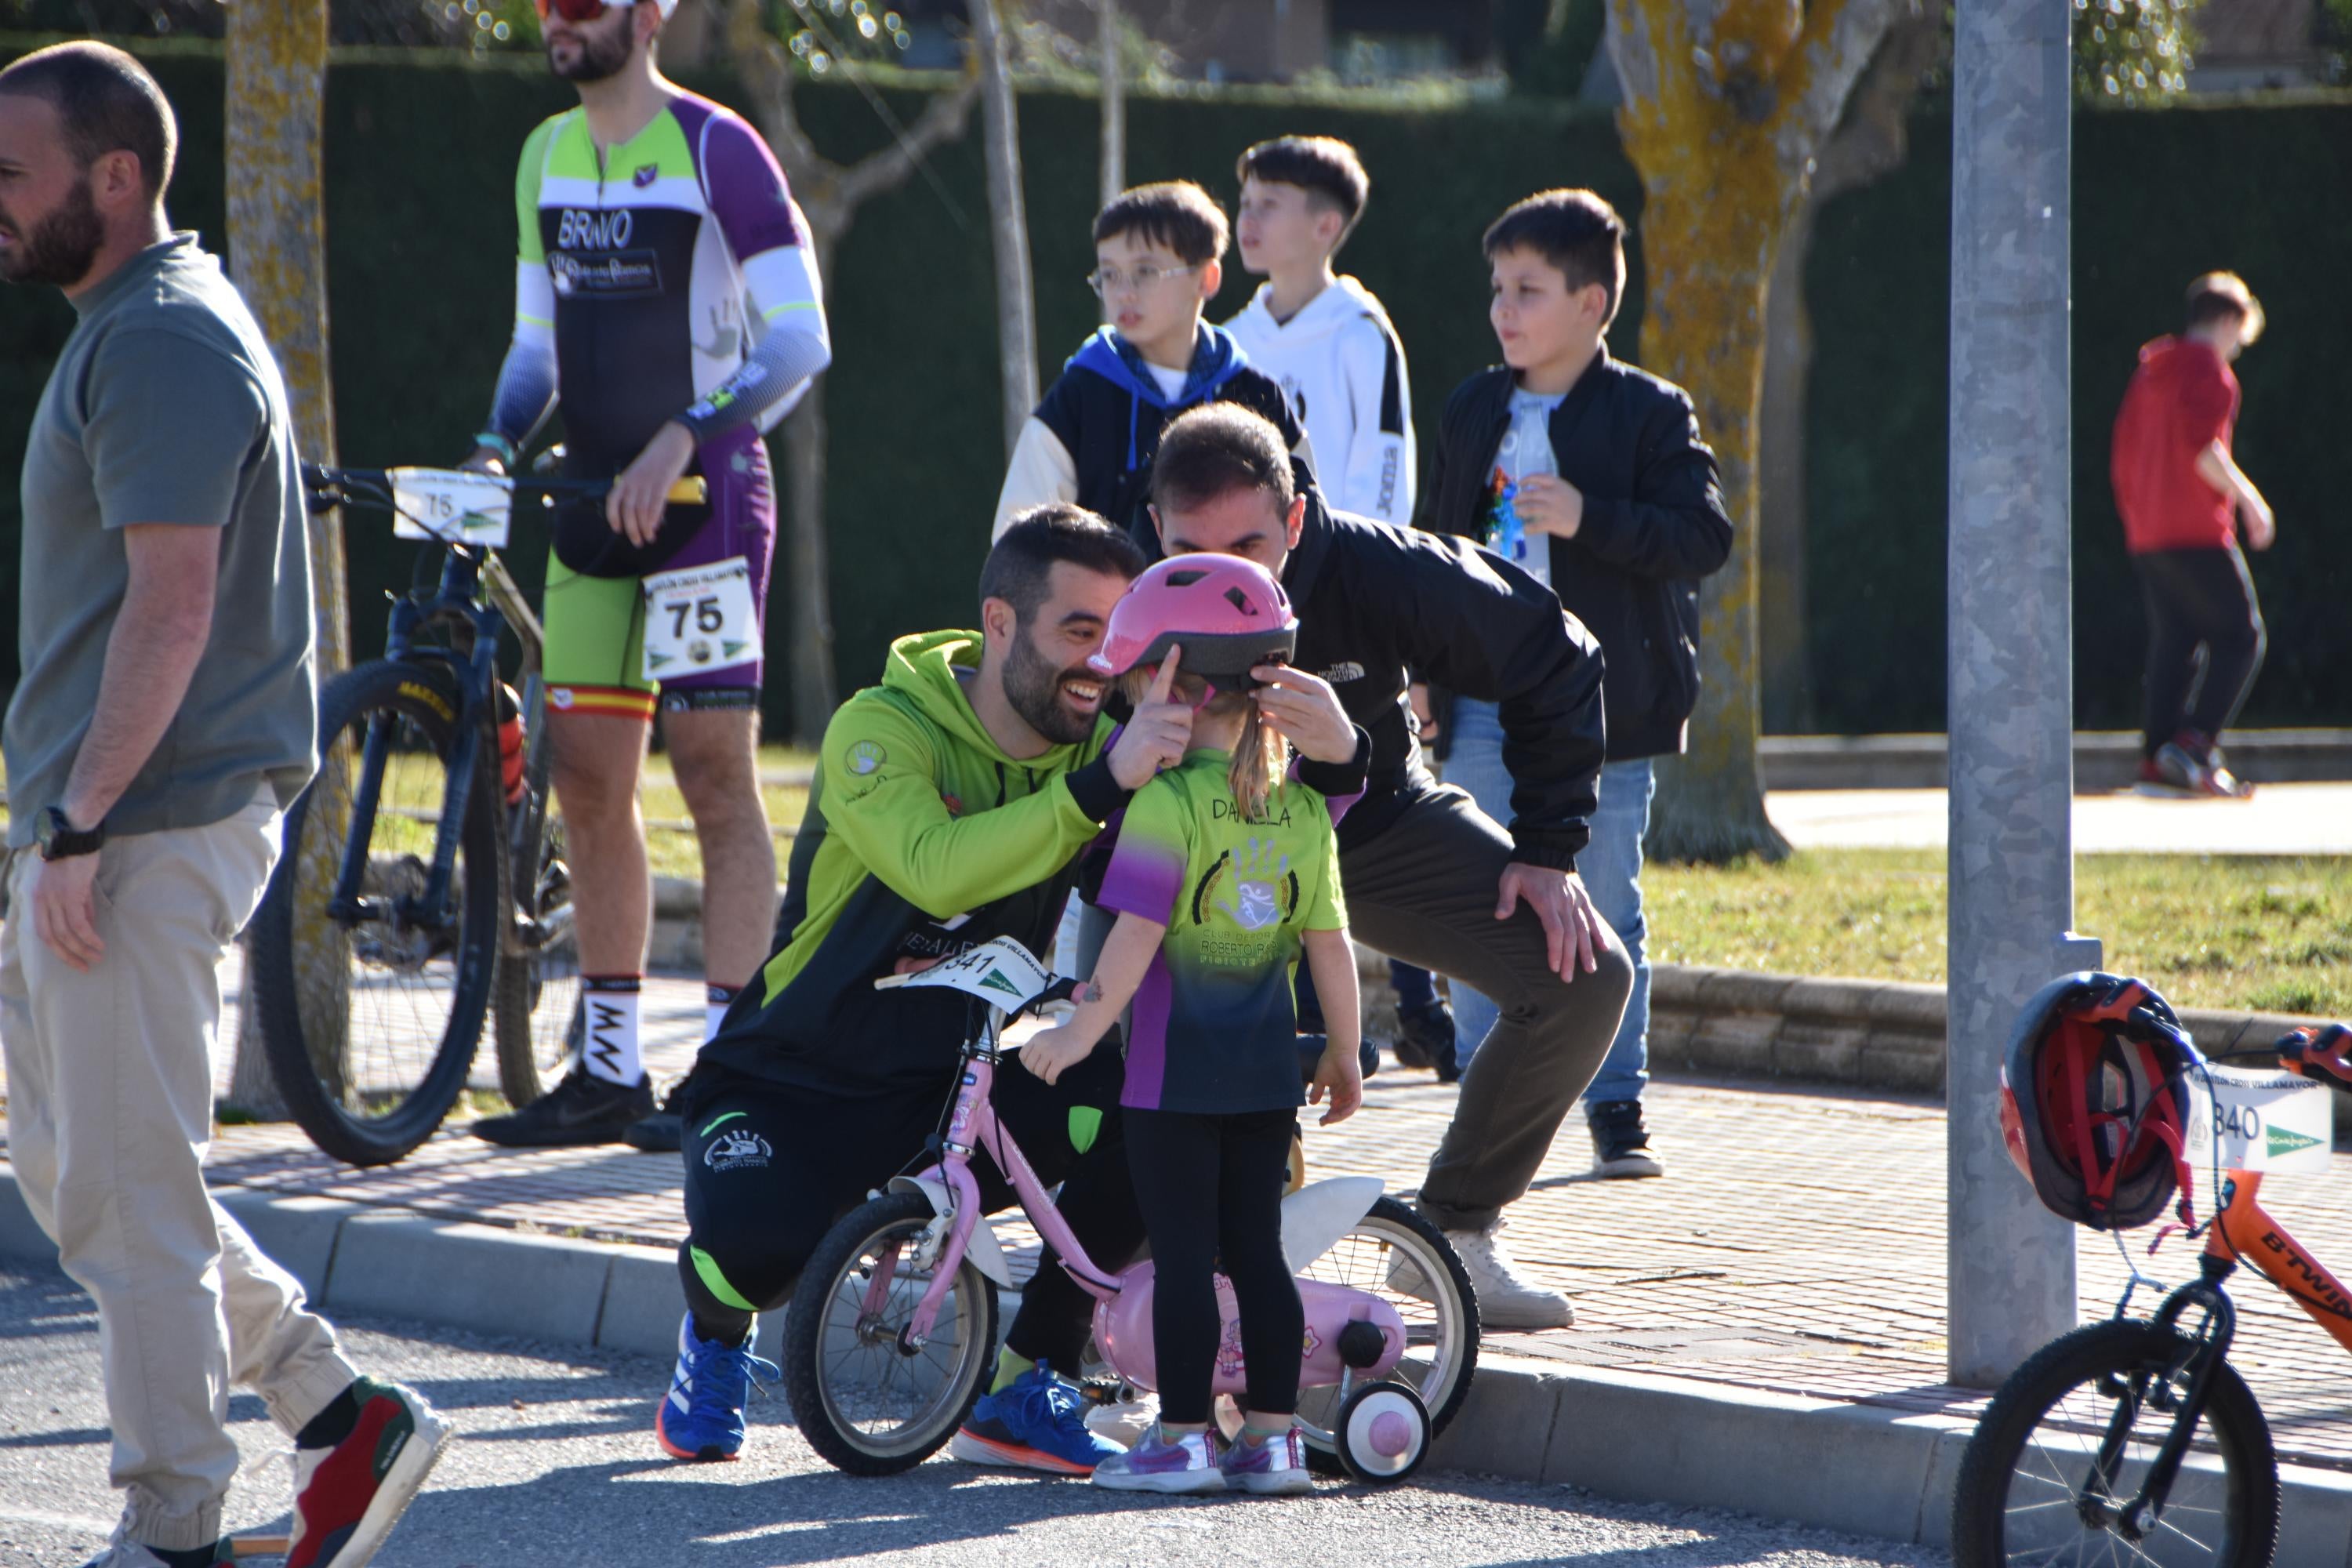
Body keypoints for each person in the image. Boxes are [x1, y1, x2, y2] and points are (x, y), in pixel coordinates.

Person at [0, 43, 448, 1568]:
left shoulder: (166, 340)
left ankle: (175, 1527)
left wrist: (79, 826)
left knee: (125, 1194)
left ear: (113, 178)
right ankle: (337, 1408)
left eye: (13, 173)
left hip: (142, 823)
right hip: (101, 822)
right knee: (93, 1176)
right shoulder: (129, 323)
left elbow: (172, 608)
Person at [1131, 401, 1635, 1330]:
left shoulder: (1374, 567)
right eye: (1194, 550)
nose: (1229, 576)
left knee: (1585, 972)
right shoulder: (1121, 581)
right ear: (1156, 527)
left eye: (1253, 544)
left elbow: (1557, 654)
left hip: (1369, 828)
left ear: (1296, 520)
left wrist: (1548, 851)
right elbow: (1041, 722)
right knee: (1124, 1041)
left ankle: (1456, 1230)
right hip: (1175, 852)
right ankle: (1106, 1273)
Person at [460, 0, 834, 1147]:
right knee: (585, 779)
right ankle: (609, 1074)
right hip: (591, 507)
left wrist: (686, 430)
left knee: (713, 775)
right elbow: (537, 351)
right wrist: (490, 443)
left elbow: (798, 339)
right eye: (548, 5)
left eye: (586, 3)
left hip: (706, 504)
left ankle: (727, 1069)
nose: (560, 20)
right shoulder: (543, 153)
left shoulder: (719, 145)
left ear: (652, 13)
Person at [1024, 554, 1364, 1496]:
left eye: (1136, 680)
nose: (1130, 700)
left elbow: (1131, 944)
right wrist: (1342, 1051)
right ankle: (1273, 1437)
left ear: (1174, 682)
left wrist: (1076, 1035)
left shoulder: (1164, 804)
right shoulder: (1300, 809)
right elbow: (1332, 947)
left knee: (1182, 1259)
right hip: (1265, 1079)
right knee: (1256, 1253)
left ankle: (1179, 1437)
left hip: (1171, 1082)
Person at [1422, 189, 1733, 1180]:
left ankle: (1615, 1106)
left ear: (1594, 302)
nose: (1504, 311)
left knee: (1602, 903)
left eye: (1530, 290)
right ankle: (1486, 1092)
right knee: (1480, 899)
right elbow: (1429, 550)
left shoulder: (1650, 411)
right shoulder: (1475, 405)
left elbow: (1703, 537)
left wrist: (1588, 516)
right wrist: (1424, 674)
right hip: (1481, 699)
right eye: (1497, 289)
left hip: (1609, 709)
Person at [1223, 133, 1454, 1075]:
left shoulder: (1365, 333)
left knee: (1372, 783)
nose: (1248, 218)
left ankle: (1420, 1002)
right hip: (1255, 612)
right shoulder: (1232, 338)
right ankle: (1284, 1011)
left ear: (1326, 224)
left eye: (1269, 202)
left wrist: (1370, 595)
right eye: (1243, 200)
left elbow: (1387, 474)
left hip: (1348, 610)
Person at [992, 179, 1311, 542]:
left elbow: (1307, 524)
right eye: (1109, 274)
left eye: (1146, 271)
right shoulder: (1078, 398)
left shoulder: (1258, 397)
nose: (1124, 292)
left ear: (1206, 278)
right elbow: (1020, 539)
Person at [2110, 271, 2274, 800]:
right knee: (2241, 637)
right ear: (2227, 320)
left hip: (2149, 532)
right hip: (2197, 529)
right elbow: (2203, 450)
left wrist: (2139, 517)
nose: (2238, 345)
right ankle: (2195, 745)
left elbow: (2125, 456)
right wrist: (2250, 500)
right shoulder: (2209, 371)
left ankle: (2158, 759)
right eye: (2240, 332)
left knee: (2176, 643)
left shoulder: (2151, 370)